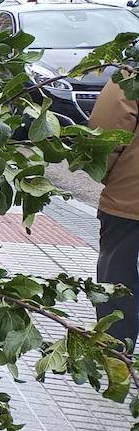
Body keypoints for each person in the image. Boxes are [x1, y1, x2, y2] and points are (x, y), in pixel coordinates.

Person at [89, 73, 139, 350]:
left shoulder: (131, 71)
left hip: (132, 193)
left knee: (118, 266)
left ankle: (116, 347)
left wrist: (107, 173)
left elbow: (106, 130)